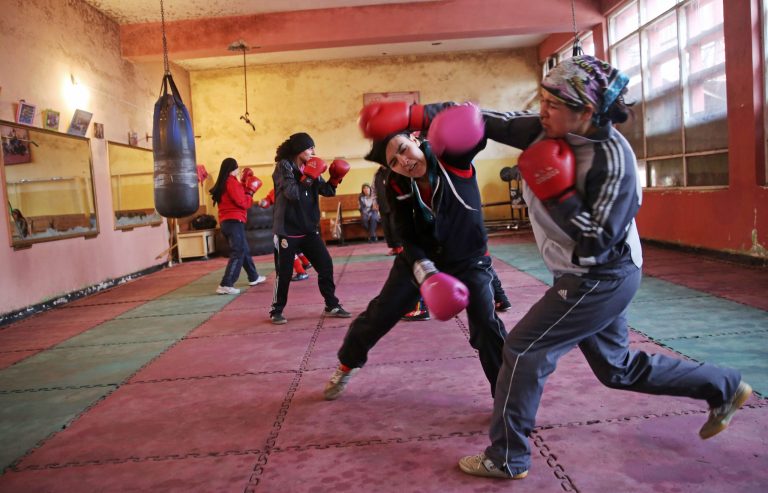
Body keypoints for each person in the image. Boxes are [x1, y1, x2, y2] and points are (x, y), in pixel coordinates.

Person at [446, 55, 752, 480]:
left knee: (524, 349)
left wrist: (558, 190)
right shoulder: (545, 127)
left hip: (601, 275)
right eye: (543, 100)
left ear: (586, 112)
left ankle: (507, 457)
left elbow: (596, 240)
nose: (542, 111)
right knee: (616, 367)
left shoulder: (615, 163)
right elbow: (489, 122)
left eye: (553, 105)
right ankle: (723, 385)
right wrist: (419, 114)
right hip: (584, 273)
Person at [323, 104, 507, 401]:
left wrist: (428, 113)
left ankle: (506, 397)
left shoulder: (451, 157)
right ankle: (347, 364)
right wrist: (425, 269)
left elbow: (476, 128)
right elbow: (404, 232)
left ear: (416, 139)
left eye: (404, 149)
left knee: (486, 325)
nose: (404, 161)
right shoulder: (395, 184)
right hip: (421, 258)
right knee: (380, 314)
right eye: (394, 161)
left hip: (469, 258)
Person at [270, 132, 352, 324]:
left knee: (325, 264)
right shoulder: (284, 166)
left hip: (308, 229)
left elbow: (328, 191)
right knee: (284, 273)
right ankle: (276, 309)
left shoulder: (312, 166)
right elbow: (291, 193)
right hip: (287, 230)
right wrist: (309, 176)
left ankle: (331, 304)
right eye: (310, 147)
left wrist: (335, 177)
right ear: (299, 149)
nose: (313, 151)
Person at [209, 158, 266, 294]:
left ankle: (254, 276)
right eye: (237, 168)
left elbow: (235, 197)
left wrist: (243, 185)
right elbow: (243, 203)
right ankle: (226, 284)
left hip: (226, 222)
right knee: (238, 252)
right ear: (232, 169)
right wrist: (251, 192)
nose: (238, 171)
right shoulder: (231, 182)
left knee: (243, 250)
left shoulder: (226, 183)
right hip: (234, 222)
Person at [259, 189, 311, 281]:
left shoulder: (291, 187)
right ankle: (305, 262)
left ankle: (301, 271)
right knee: (293, 244)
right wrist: (264, 202)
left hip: (289, 223)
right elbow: (268, 200)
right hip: (291, 222)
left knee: (283, 245)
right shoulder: (279, 187)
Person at [373, 166, 403, 255]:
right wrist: (374, 202)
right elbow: (373, 189)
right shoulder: (377, 174)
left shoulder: (395, 171)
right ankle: (394, 248)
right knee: (387, 228)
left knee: (394, 226)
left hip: (394, 204)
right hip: (382, 205)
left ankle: (400, 247)